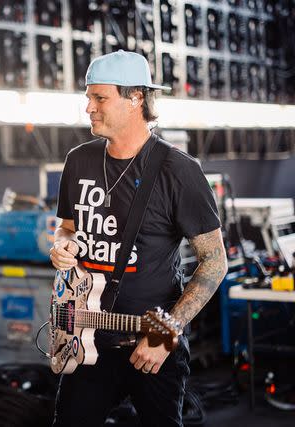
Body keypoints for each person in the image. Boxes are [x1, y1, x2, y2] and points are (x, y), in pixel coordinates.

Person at [49, 50, 228, 426]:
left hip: (151, 342)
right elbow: (67, 225)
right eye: (88, 97)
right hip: (86, 339)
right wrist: (62, 243)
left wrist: (167, 334)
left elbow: (214, 262)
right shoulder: (78, 160)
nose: (89, 108)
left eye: (99, 98)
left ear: (136, 99)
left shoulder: (178, 171)